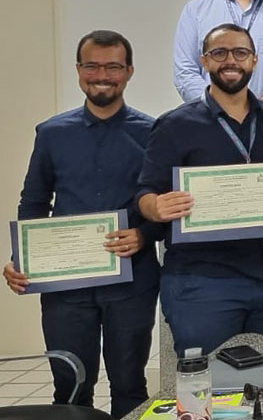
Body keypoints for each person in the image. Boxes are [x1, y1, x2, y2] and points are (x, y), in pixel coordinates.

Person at [3, 31, 157, 419]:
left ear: (129, 72)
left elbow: (163, 206)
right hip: (65, 286)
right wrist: (22, 259)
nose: (101, 74)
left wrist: (143, 234)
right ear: (78, 71)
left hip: (131, 281)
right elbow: (34, 202)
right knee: (70, 384)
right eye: (92, 65)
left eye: (112, 66)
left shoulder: (153, 133)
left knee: (129, 383)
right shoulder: (52, 133)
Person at [139, 24, 263, 355]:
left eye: (240, 53)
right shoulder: (175, 125)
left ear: (254, 61)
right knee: (210, 390)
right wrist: (155, 207)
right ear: (204, 61)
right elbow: (145, 193)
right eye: (219, 53)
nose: (231, 61)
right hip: (203, 283)